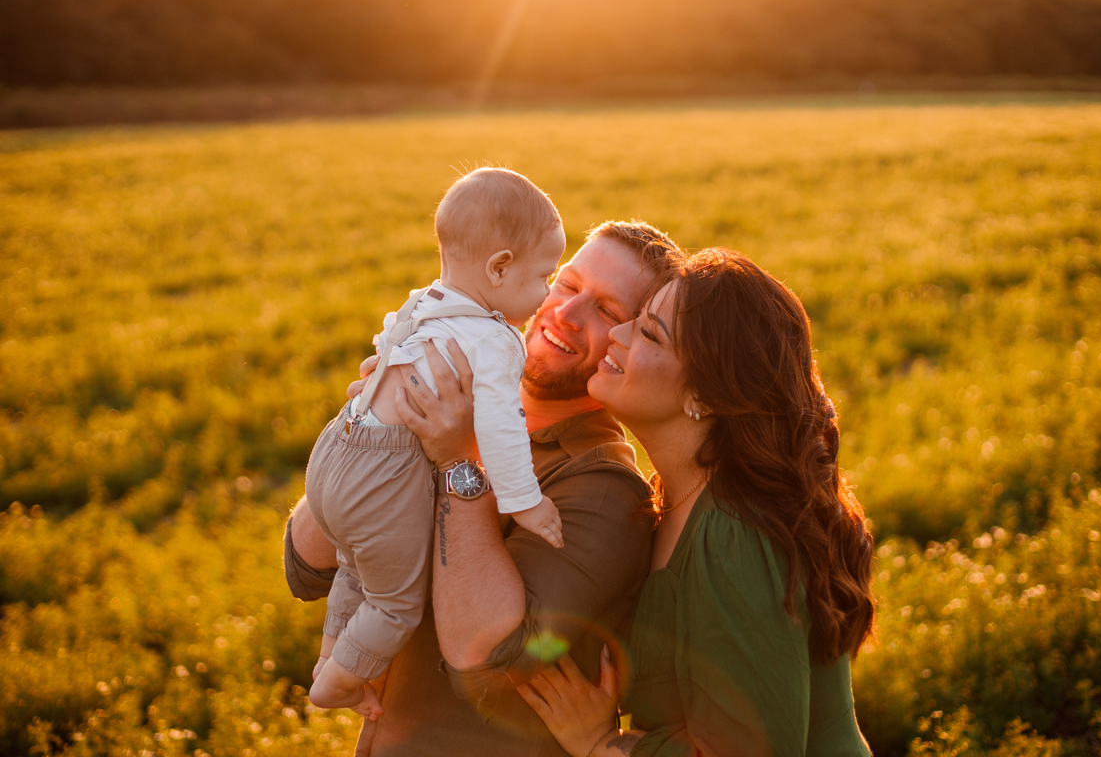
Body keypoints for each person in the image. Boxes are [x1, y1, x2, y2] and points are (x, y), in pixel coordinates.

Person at [283, 221, 685, 756]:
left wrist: (458, 459)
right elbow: (305, 566)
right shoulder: (451, 395)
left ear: (627, 345)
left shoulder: (604, 489)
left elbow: (488, 662)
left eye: (607, 311)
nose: (566, 313)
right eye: (566, 284)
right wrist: (375, 421)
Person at [516, 249, 876, 756]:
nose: (618, 335)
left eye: (649, 333)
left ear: (705, 396)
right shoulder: (674, 499)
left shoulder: (732, 536)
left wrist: (602, 744)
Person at [303, 167, 567, 719]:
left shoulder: (424, 303)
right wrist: (525, 501)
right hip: (385, 472)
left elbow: (385, 356)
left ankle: (331, 659)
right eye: (544, 276)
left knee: (356, 566)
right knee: (394, 602)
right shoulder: (497, 339)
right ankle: (336, 686)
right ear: (499, 267)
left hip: (337, 448)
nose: (548, 293)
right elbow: (500, 428)